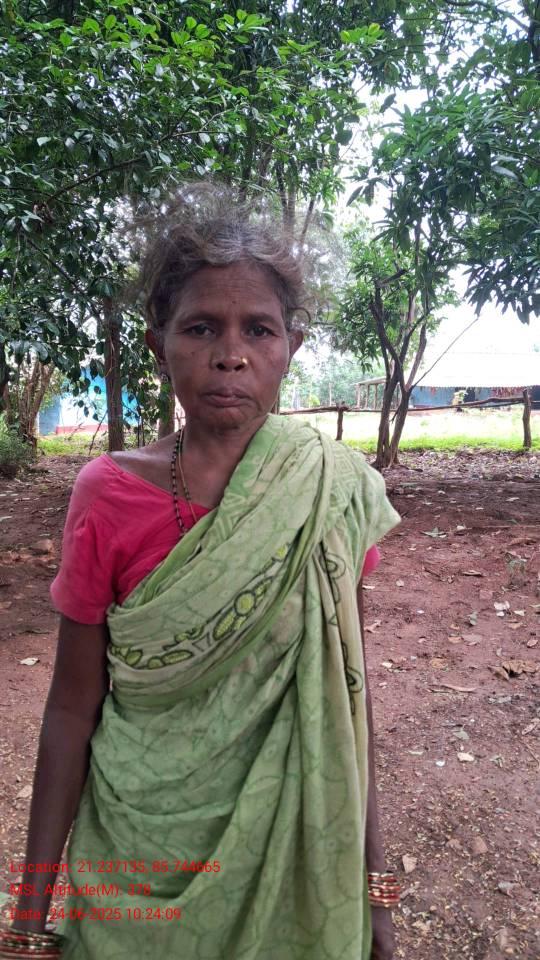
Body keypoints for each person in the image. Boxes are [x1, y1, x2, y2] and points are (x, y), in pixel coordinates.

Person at [1, 185, 401, 960]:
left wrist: (376, 893)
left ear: (291, 346)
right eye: (201, 327)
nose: (231, 353)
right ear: (161, 347)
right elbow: (71, 709)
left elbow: (346, 701)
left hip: (294, 869)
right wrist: (28, 915)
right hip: (136, 862)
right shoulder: (107, 493)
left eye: (259, 329)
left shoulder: (332, 490)